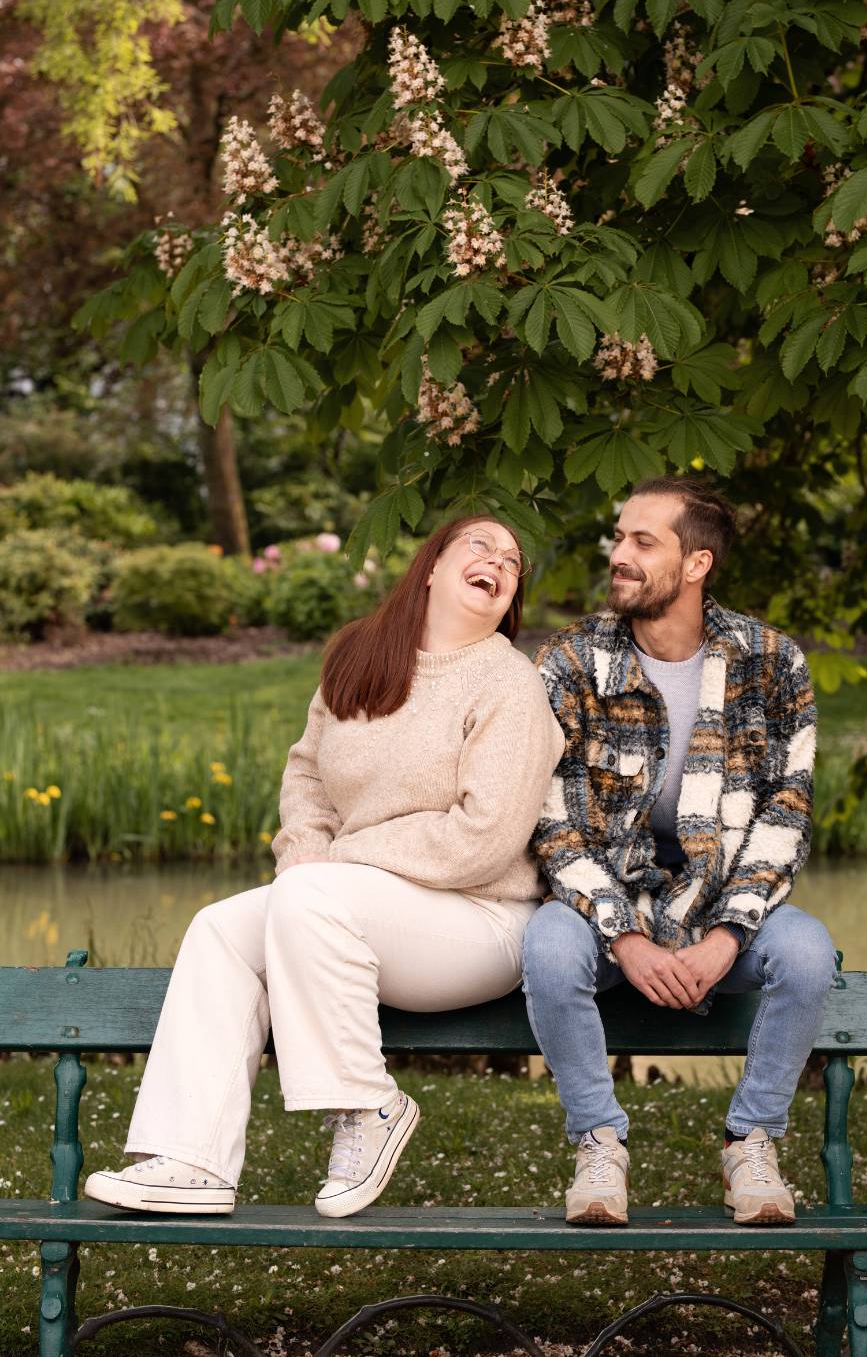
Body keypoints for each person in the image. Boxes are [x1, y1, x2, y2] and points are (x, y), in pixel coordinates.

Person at [85, 515, 564, 1219]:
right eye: (480, 545)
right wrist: (306, 853)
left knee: (311, 895)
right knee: (220, 929)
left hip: (481, 920)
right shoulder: (361, 657)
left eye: (514, 561)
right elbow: (307, 775)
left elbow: (486, 839)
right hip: (348, 905)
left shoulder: (509, 685)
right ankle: (192, 1159)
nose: (498, 561)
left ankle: (367, 1106)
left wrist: (333, 864)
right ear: (430, 567)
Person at [521, 477, 835, 1228]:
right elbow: (551, 822)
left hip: (727, 906)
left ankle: (751, 1140)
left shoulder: (772, 663)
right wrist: (624, 937)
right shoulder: (571, 662)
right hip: (607, 913)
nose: (618, 555)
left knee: (809, 953)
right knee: (547, 947)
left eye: (642, 542)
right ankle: (599, 1144)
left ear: (696, 564)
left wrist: (728, 936)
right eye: (619, 537)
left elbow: (785, 811)